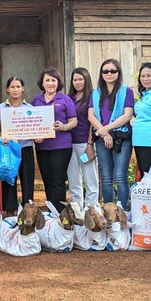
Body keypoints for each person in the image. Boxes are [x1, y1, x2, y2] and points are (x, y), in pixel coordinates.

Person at [89, 59, 135, 208]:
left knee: (121, 176)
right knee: (106, 177)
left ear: (118, 72)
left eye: (113, 71)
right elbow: (91, 116)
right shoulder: (95, 93)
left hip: (122, 138)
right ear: (101, 74)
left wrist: (106, 129)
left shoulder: (126, 91)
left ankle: (123, 211)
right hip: (102, 139)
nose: (109, 74)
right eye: (105, 71)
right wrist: (105, 134)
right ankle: (108, 210)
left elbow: (127, 115)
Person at [31, 68, 77, 212]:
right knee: (47, 179)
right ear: (42, 83)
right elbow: (31, 122)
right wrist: (35, 135)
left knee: (58, 180)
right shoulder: (36, 100)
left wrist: (64, 127)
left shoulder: (65, 99)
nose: (50, 83)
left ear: (58, 82)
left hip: (61, 146)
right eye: (47, 80)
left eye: (53, 80)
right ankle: (51, 211)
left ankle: (60, 213)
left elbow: (74, 121)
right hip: (42, 146)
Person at [0, 77, 35, 214]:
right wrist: (2, 137)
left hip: (25, 147)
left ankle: (27, 211)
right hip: (8, 149)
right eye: (12, 87)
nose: (15, 89)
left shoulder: (29, 108)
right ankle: (10, 212)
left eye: (18, 87)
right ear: (7, 89)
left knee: (27, 180)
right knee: (9, 181)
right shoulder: (1, 108)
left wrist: (38, 135)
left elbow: (35, 128)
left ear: (23, 88)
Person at [67, 68, 98, 208]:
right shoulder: (69, 98)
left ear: (86, 80)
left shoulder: (92, 96)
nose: (77, 82)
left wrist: (90, 144)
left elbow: (93, 121)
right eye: (75, 80)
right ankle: (77, 208)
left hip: (85, 143)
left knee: (90, 178)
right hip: (69, 143)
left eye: (80, 79)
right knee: (73, 178)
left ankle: (91, 208)